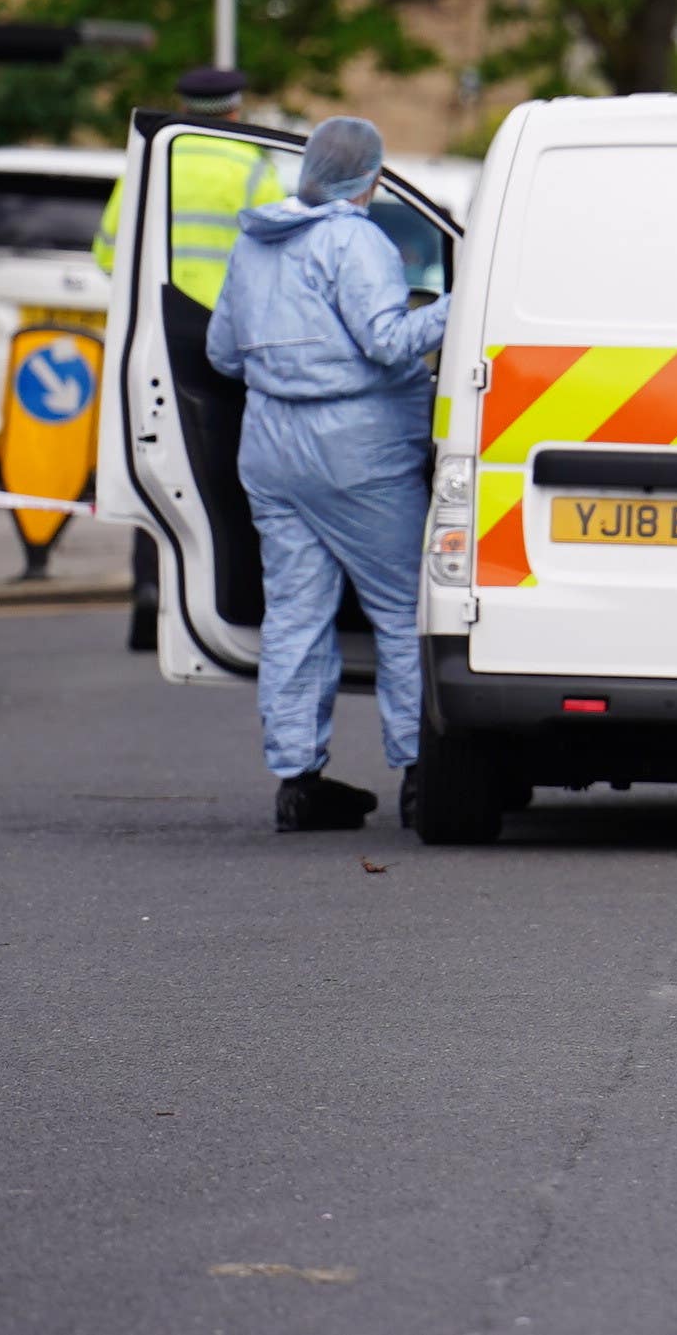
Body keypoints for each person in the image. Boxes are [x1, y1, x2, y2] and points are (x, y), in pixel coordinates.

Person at [205, 118, 448, 832]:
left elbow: (222, 353)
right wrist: (461, 308)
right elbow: (387, 341)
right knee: (403, 610)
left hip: (270, 450)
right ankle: (416, 772)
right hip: (357, 452)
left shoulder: (255, 240)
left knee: (296, 615)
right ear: (369, 178)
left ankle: (298, 780)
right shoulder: (357, 240)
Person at [94, 67, 286, 651]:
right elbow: (278, 258)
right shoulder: (252, 166)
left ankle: (151, 587)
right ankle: (225, 594)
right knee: (225, 465)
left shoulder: (149, 166)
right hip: (226, 341)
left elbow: (107, 254)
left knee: (154, 458)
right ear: (234, 110)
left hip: (155, 333)